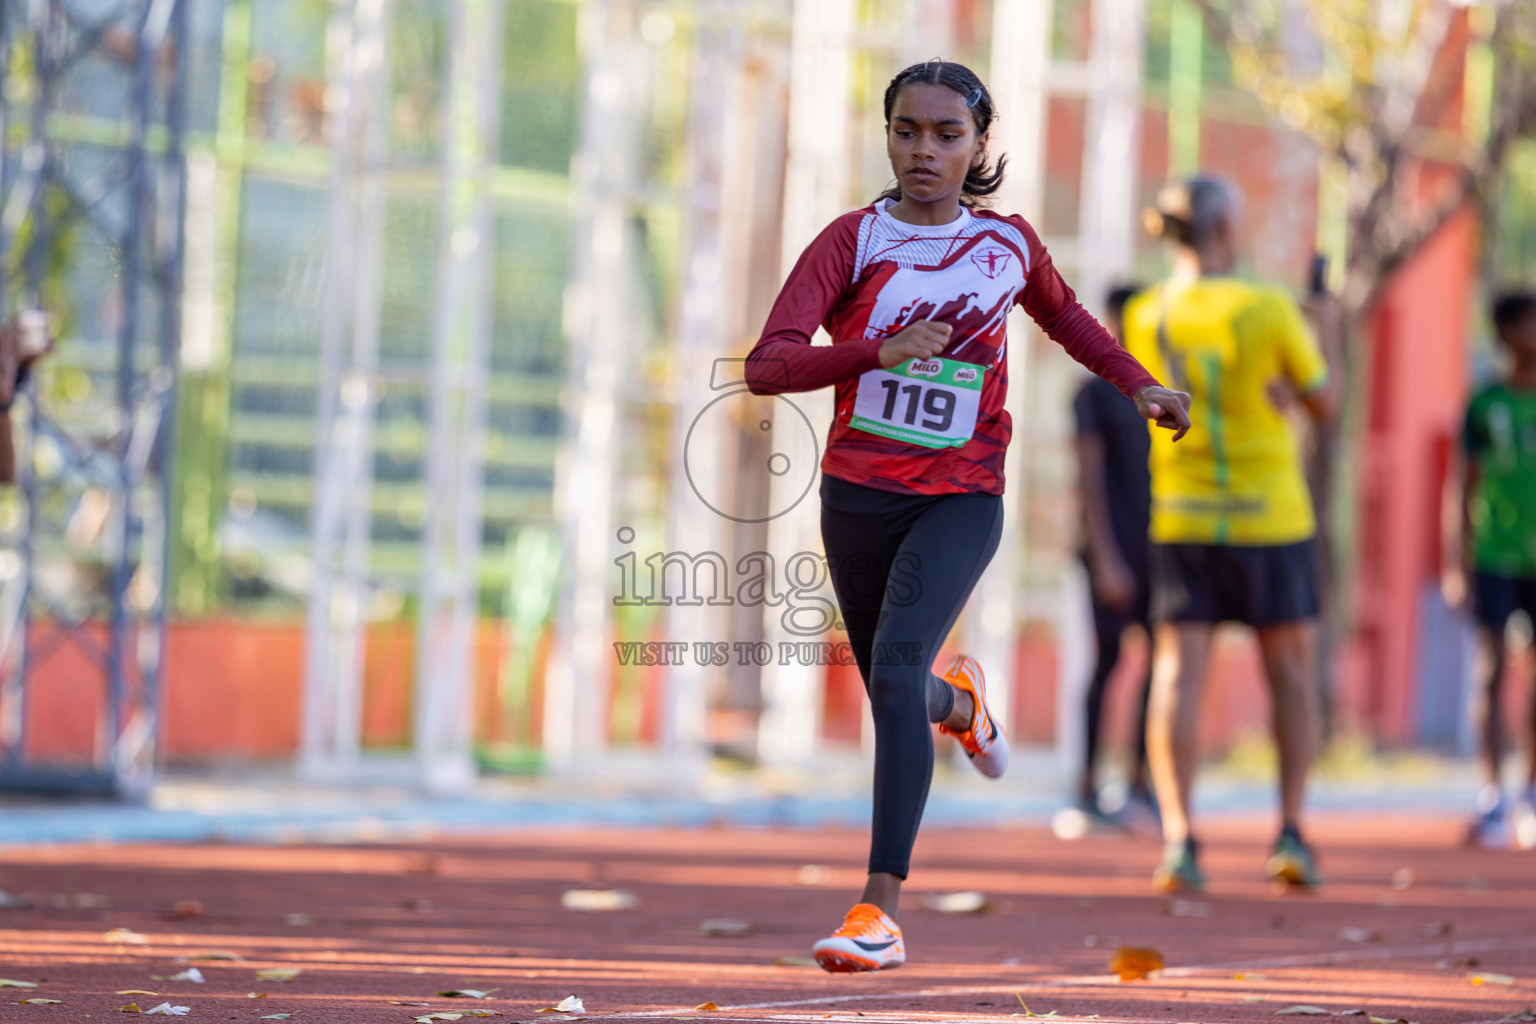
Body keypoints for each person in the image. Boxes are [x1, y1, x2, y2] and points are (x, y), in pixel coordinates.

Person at [745, 59, 1191, 972]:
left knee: (894, 674)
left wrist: (1140, 384)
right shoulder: (851, 241)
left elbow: (1070, 322)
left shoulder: (1007, 245)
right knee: (897, 684)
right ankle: (962, 704)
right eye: (906, 131)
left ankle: (878, 912)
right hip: (857, 495)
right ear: (888, 136)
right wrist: (876, 350)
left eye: (947, 135)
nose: (924, 150)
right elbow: (768, 364)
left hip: (961, 494)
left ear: (979, 144)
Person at [1124, 175, 1340, 893]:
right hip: (1270, 515)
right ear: (1223, 228)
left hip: (1183, 513)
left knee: (1176, 675)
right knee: (1292, 676)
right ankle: (1291, 831)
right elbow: (1327, 401)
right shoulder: (1267, 306)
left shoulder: (1147, 312)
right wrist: (1326, 328)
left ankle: (1179, 840)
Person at [1073, 284, 1158, 827]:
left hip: (1160, 551)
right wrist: (1104, 556)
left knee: (1162, 664)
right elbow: (1089, 476)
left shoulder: (1164, 386)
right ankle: (1086, 785)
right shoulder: (1094, 393)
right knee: (1107, 662)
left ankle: (1141, 781)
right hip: (1111, 550)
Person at [1457, 291, 1536, 849]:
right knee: (1490, 669)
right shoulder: (1484, 403)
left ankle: (1530, 790)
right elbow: (1459, 484)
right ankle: (1492, 797)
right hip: (1493, 554)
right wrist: (1453, 560)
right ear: (1505, 333)